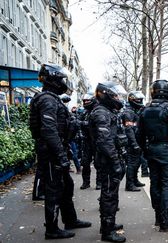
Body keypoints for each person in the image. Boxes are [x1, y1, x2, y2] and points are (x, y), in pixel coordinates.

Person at [29, 63, 91, 239]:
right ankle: (52, 228)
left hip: (56, 150)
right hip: (50, 153)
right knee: (53, 189)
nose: (64, 81)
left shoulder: (51, 98)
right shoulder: (47, 100)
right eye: (61, 78)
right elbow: (49, 131)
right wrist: (61, 155)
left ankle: (70, 219)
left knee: (66, 186)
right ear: (54, 79)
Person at [137, 79, 168, 231]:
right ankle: (166, 221)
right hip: (166, 151)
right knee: (167, 185)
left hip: (151, 150)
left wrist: (145, 149)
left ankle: (159, 217)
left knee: (155, 184)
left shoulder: (144, 110)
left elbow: (139, 134)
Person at [90, 81, 127, 242]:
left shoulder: (106, 111)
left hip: (110, 159)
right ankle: (107, 230)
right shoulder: (101, 113)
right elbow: (104, 141)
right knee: (108, 195)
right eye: (115, 95)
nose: (118, 98)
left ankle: (109, 224)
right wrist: (115, 162)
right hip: (107, 161)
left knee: (111, 193)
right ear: (107, 95)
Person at [121, 91, 146, 191]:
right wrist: (134, 144)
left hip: (137, 141)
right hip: (132, 143)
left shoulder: (135, 111)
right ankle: (129, 184)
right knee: (132, 163)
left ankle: (135, 180)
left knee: (137, 162)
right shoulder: (128, 112)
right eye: (139, 100)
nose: (140, 102)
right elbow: (129, 130)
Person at [79, 92, 100, 190]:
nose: (86, 102)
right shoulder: (84, 112)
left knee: (98, 163)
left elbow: (95, 124)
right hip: (86, 140)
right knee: (85, 162)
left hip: (96, 140)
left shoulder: (97, 111)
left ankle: (99, 182)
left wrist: (83, 123)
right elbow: (78, 122)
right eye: (84, 101)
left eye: (87, 100)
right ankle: (86, 182)